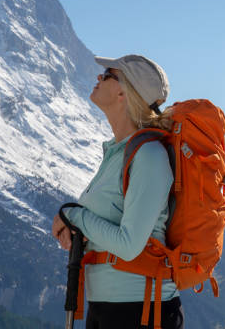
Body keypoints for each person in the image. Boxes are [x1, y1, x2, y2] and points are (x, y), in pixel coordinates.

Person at [51, 54, 184, 329]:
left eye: (108, 75)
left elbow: (128, 245)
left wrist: (75, 216)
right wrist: (75, 226)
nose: (98, 77)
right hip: (107, 309)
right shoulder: (117, 153)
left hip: (141, 313)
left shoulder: (149, 156)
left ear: (125, 91)